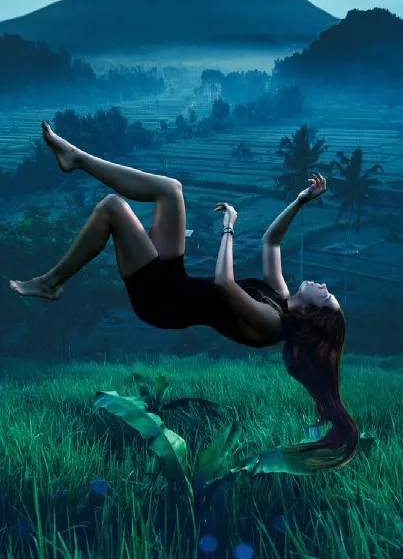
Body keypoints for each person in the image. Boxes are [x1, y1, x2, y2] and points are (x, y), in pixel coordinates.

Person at [10, 120, 359, 473]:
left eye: (328, 298)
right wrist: (300, 202)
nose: (326, 288)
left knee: (113, 208)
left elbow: (224, 283)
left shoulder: (272, 324)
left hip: (161, 301)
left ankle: (51, 282)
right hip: (175, 281)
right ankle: (77, 158)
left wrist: (229, 227)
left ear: (315, 314)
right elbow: (272, 240)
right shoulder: (280, 296)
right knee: (171, 189)